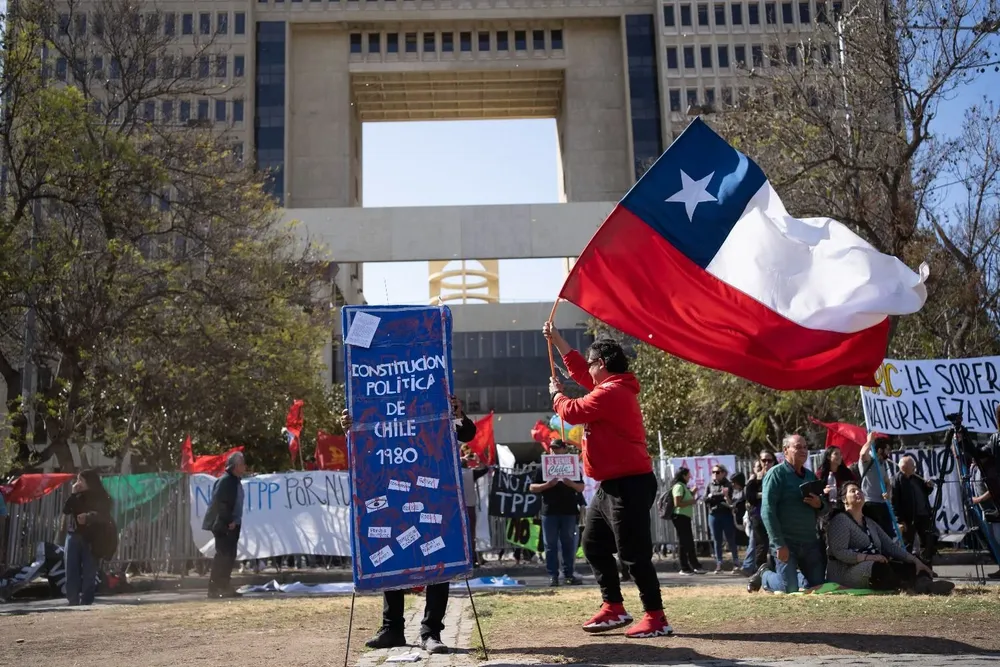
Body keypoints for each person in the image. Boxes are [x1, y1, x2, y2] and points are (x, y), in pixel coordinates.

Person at [544, 322, 670, 639]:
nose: (587, 368)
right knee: (593, 544)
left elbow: (572, 411)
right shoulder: (610, 386)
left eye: (591, 362)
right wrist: (558, 341)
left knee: (634, 554)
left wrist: (556, 396)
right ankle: (613, 606)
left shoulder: (613, 392)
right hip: (611, 484)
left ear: (601, 364)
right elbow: (580, 376)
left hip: (630, 484)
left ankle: (656, 617)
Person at [341, 395, 476, 654]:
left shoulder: (435, 401)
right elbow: (365, 446)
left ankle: (431, 632)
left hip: (431, 495)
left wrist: (458, 413)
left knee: (437, 556)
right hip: (392, 494)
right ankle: (392, 628)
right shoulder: (378, 404)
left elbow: (467, 434)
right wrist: (351, 426)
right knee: (392, 554)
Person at [827, 481, 952, 594]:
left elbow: (890, 546)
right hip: (847, 572)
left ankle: (927, 585)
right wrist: (869, 557)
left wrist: (915, 560)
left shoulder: (870, 522)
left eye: (859, 490)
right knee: (879, 568)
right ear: (844, 499)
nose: (858, 492)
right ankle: (910, 587)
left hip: (873, 564)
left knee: (914, 563)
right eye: (853, 491)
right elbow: (840, 552)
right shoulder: (840, 520)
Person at [750, 434, 826, 594]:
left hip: (809, 541)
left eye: (805, 447)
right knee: (788, 589)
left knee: (817, 586)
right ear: (786, 451)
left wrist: (819, 504)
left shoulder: (810, 476)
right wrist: (779, 544)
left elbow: (825, 508)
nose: (803, 451)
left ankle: (790, 575)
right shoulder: (775, 474)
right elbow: (767, 511)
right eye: (798, 447)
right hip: (786, 543)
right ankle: (765, 575)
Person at [530, 439, 585, 586]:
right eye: (552, 448)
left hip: (569, 511)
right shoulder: (543, 467)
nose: (554, 451)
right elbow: (532, 487)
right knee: (550, 545)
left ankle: (569, 574)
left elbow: (581, 487)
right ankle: (553, 576)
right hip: (549, 511)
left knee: (568, 544)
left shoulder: (572, 466)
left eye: (557, 448)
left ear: (564, 449)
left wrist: (570, 483)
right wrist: (547, 485)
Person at [62, 469, 113, 606]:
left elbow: (104, 516)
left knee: (89, 570)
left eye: (81, 480)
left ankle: (86, 600)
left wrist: (89, 517)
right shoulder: (77, 496)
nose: (78, 483)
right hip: (73, 535)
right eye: (77, 480)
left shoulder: (102, 497)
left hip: (92, 537)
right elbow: (66, 510)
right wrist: (73, 494)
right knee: (71, 569)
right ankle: (72, 600)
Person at [203, 451, 247, 599]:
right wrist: (229, 521)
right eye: (242, 463)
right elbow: (221, 503)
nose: (244, 466)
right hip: (224, 524)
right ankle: (214, 588)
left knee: (229, 556)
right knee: (223, 556)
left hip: (231, 524)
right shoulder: (226, 481)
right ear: (235, 466)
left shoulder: (234, 480)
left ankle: (224, 586)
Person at [891, 456, 937, 565]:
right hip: (909, 518)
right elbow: (894, 502)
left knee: (927, 543)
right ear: (904, 467)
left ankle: (927, 569)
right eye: (912, 465)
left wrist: (928, 486)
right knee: (907, 545)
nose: (915, 467)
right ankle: (908, 571)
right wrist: (900, 520)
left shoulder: (916, 477)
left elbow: (925, 492)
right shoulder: (897, 480)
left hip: (923, 515)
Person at [858, 433, 897, 539]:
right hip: (870, 503)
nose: (888, 452)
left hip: (882, 503)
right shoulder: (869, 459)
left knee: (889, 535)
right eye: (887, 449)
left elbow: (887, 483)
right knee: (876, 535)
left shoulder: (882, 463)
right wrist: (869, 441)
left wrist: (887, 492)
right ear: (880, 450)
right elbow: (862, 454)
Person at [742, 451, 775, 573]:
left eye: (769, 460)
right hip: (759, 516)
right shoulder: (755, 478)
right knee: (761, 546)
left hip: (775, 516)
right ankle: (760, 573)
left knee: (776, 545)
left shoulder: (778, 475)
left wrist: (761, 495)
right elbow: (750, 496)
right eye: (764, 460)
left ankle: (776, 571)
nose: (766, 463)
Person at [706, 464, 740, 574]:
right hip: (713, 514)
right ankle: (719, 563)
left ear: (724, 473)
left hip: (726, 514)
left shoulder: (728, 484)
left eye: (717, 472)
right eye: (713, 472)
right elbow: (705, 498)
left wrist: (714, 496)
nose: (715, 474)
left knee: (730, 539)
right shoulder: (710, 484)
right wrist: (715, 496)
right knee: (717, 539)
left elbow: (728, 497)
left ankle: (736, 562)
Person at [670, 467, 704, 575]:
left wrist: (693, 493)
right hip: (680, 517)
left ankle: (694, 565)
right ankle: (684, 567)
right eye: (688, 475)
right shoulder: (678, 486)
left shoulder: (683, 486)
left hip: (684, 517)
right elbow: (677, 503)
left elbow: (685, 499)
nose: (690, 477)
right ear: (683, 475)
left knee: (688, 542)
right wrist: (691, 501)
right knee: (684, 542)